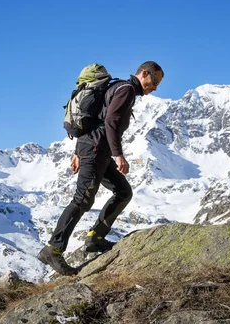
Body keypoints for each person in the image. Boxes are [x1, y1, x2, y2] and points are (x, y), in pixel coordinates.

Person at [38, 61, 164, 275]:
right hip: (96, 150)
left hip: (96, 150)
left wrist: (79, 151)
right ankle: (53, 249)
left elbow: (94, 120)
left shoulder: (120, 88)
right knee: (83, 198)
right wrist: (118, 155)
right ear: (144, 74)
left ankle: (95, 238)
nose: (155, 88)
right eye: (155, 81)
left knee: (123, 192)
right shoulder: (126, 89)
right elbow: (111, 121)